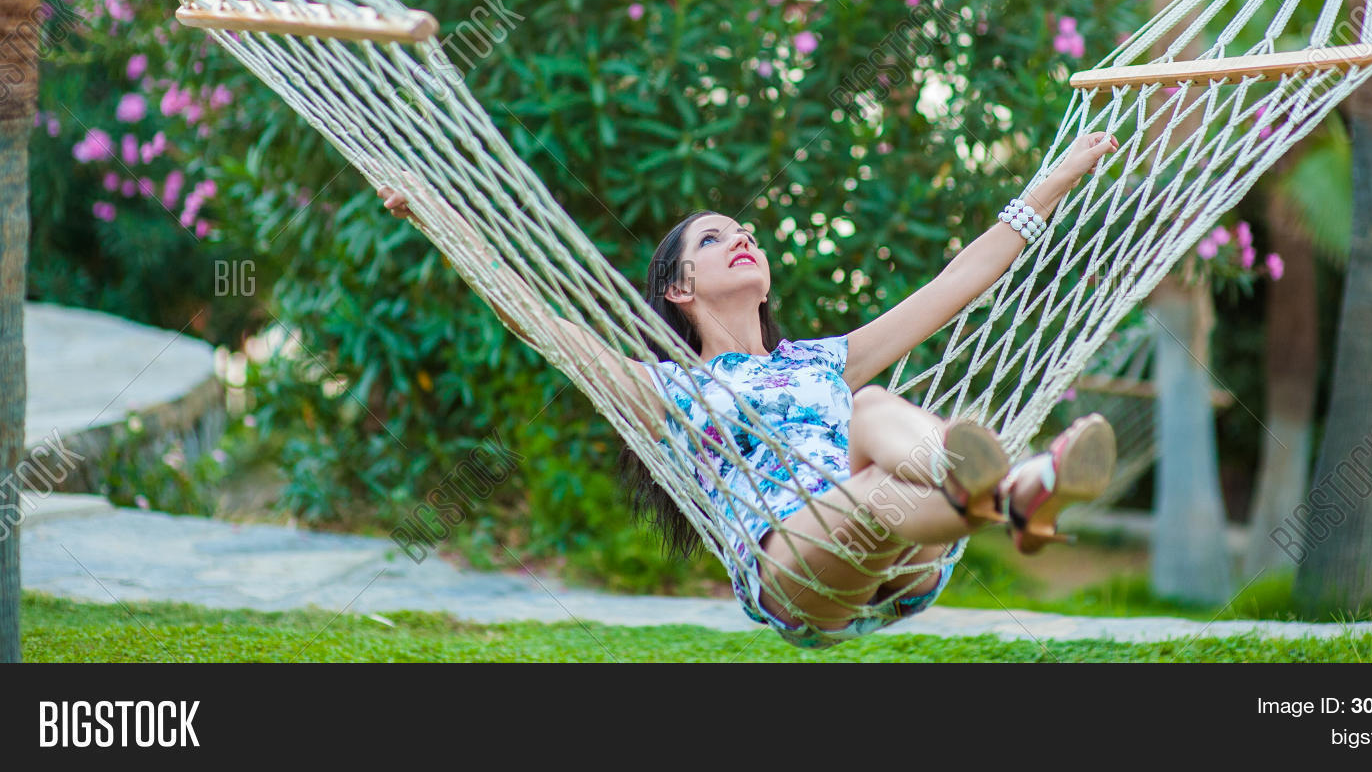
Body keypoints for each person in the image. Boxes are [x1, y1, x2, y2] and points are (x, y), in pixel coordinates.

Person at [377, 128, 1119, 648]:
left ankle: (1007, 490)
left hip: (908, 548)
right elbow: (533, 319)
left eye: (746, 235)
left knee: (868, 412)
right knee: (868, 480)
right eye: (713, 238)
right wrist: (437, 218)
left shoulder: (825, 360)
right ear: (679, 288)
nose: (741, 238)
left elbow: (957, 282)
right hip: (798, 567)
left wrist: (1052, 182)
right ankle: (1009, 489)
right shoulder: (665, 389)